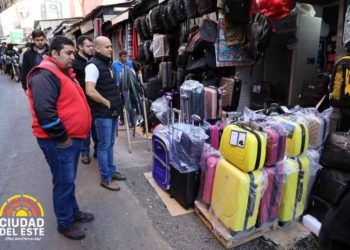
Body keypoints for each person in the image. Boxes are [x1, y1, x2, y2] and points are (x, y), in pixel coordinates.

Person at [27, 36, 93, 240]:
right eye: (69, 53)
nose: (73, 56)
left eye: (74, 53)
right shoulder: (44, 75)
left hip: (69, 140)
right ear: (54, 53)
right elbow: (44, 111)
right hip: (58, 141)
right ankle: (64, 222)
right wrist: (62, 137)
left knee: (68, 180)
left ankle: (73, 212)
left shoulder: (60, 71)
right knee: (64, 182)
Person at [85, 36, 126, 191]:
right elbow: (90, 90)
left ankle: (111, 171)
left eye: (110, 46)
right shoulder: (92, 66)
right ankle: (105, 178)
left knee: (110, 145)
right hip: (103, 113)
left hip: (111, 112)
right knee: (104, 146)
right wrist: (106, 102)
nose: (110, 49)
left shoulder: (106, 64)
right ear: (97, 49)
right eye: (107, 46)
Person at [72, 35, 97, 164]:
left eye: (92, 46)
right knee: (86, 128)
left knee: (96, 127)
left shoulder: (93, 60)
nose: (91, 48)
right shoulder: (74, 63)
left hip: (95, 99)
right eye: (88, 46)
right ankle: (84, 153)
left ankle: (97, 149)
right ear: (80, 47)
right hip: (81, 100)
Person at [112, 50, 134, 126]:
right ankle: (121, 119)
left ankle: (130, 120)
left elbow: (132, 73)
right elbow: (113, 75)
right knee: (120, 103)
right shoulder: (114, 64)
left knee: (129, 103)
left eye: (126, 56)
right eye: (123, 57)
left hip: (128, 86)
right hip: (118, 86)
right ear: (120, 57)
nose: (125, 58)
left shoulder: (129, 63)